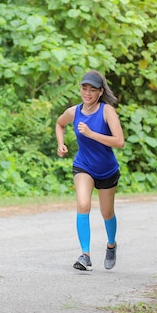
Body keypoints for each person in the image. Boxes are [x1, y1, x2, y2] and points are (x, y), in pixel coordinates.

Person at [55, 70, 125, 271]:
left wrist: (92, 134)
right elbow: (60, 124)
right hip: (83, 166)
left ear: (100, 92)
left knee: (107, 212)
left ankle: (111, 245)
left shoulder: (106, 111)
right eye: (84, 88)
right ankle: (85, 255)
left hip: (107, 170)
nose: (87, 93)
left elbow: (119, 142)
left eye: (92, 90)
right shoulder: (74, 111)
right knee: (83, 204)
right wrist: (61, 144)